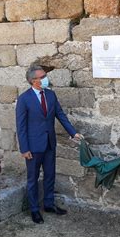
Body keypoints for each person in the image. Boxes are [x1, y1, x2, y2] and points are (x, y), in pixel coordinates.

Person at [16, 64, 83, 224]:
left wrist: (73, 132)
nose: (46, 79)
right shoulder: (24, 99)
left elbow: (60, 115)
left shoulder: (51, 95)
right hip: (33, 146)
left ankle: (48, 204)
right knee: (32, 178)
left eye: (45, 76)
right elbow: (21, 126)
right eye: (43, 77)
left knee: (50, 175)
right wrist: (24, 148)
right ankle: (34, 210)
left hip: (49, 143)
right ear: (34, 81)